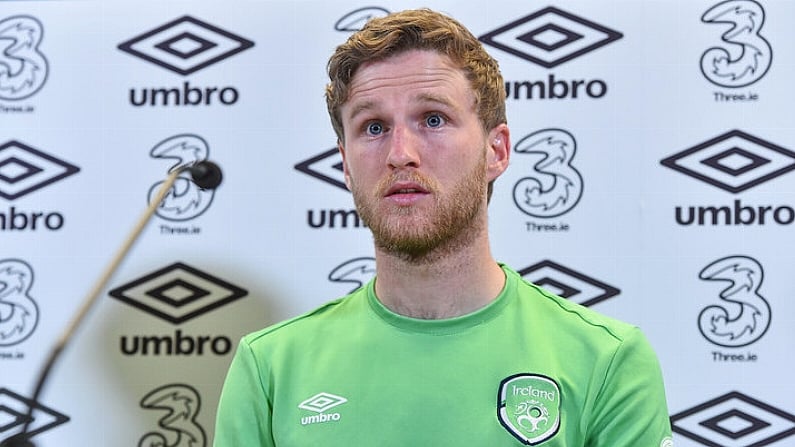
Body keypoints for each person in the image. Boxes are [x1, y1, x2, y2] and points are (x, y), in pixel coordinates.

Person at [214, 8, 673, 446]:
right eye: (373, 127)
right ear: (346, 165)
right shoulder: (271, 368)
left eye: (433, 119)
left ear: (497, 150)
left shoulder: (607, 360)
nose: (400, 153)